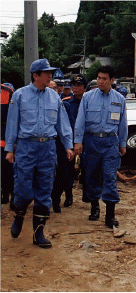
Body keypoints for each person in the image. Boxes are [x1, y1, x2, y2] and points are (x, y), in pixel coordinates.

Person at [5, 59, 74, 248]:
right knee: (23, 188)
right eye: (46, 72)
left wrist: (68, 145)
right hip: (26, 147)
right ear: (36, 75)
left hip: (48, 148)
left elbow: (62, 123)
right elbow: (12, 123)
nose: (50, 75)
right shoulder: (20, 96)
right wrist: (10, 149)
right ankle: (19, 215)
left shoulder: (54, 97)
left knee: (45, 189)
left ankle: (38, 233)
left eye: (50, 72)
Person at [74, 65, 128, 228]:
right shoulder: (88, 97)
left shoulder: (119, 99)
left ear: (112, 80)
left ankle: (110, 215)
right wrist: (78, 141)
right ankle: (94, 207)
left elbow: (123, 124)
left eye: (104, 79)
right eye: (98, 78)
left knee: (110, 177)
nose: (100, 81)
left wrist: (123, 143)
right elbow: (80, 120)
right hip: (92, 142)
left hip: (111, 143)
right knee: (92, 176)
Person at [51, 75, 88, 213]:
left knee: (85, 169)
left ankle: (85, 195)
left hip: (85, 142)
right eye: (74, 85)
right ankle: (65, 196)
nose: (76, 88)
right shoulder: (65, 102)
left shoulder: (88, 102)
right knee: (64, 171)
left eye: (79, 85)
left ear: (85, 88)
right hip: (67, 142)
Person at [1, 83, 15, 209]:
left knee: (8, 168)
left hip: (4, 136)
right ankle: (4, 194)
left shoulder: (7, 92)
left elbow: (13, 118)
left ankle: (12, 196)